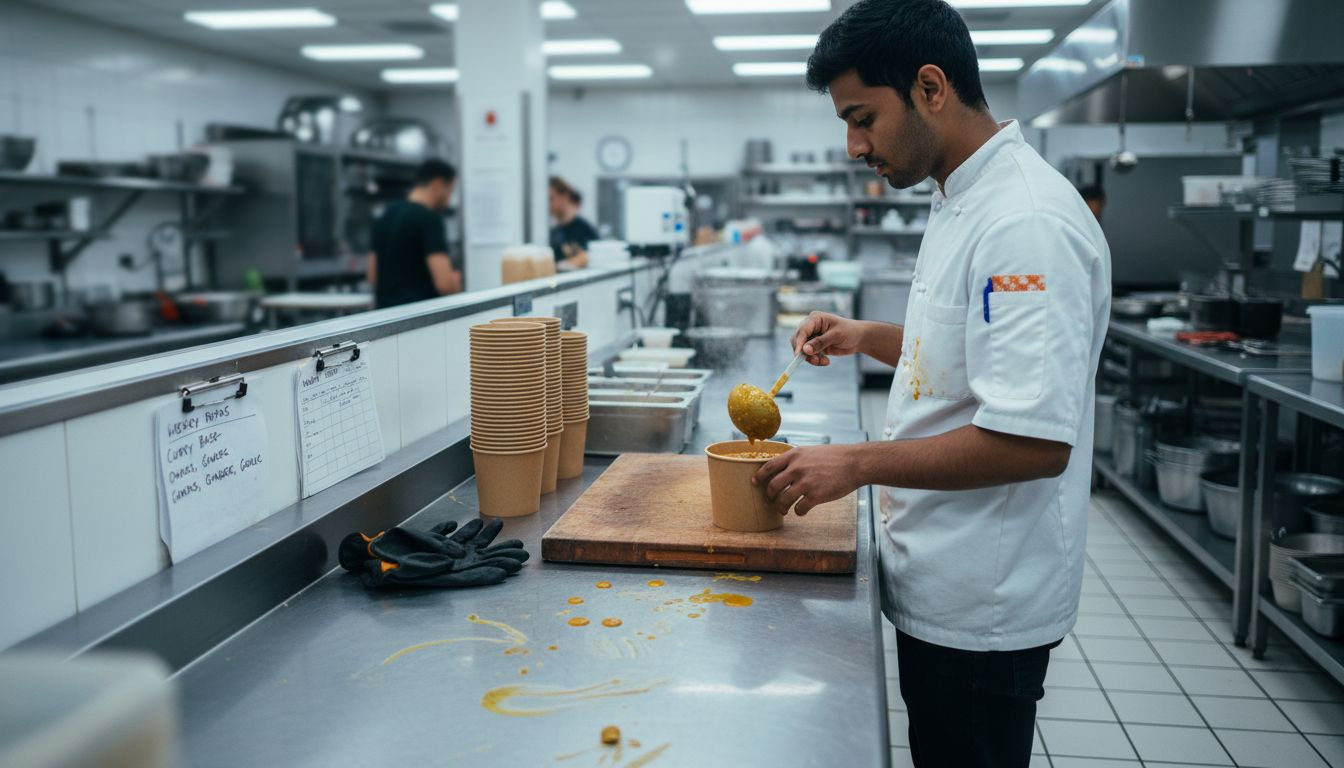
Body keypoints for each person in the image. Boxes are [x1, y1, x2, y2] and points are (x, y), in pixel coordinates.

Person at [752, 2, 1111, 766]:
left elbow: (1032, 443)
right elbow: (967, 356)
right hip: (942, 574)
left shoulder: (1024, 222)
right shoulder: (960, 195)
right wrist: (867, 337)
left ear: (930, 87)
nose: (854, 146)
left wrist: (853, 464)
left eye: (862, 119)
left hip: (984, 600)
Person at [367, 158, 462, 308]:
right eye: (450, 190)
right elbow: (444, 285)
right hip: (420, 315)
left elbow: (372, 276)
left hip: (385, 315)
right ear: (437, 184)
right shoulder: (429, 219)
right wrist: (454, 283)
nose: (448, 199)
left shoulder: (385, 215)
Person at [548, 176, 597, 270]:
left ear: (564, 196)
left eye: (551, 199)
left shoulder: (584, 230)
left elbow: (592, 256)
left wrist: (563, 265)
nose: (548, 205)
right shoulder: (553, 232)